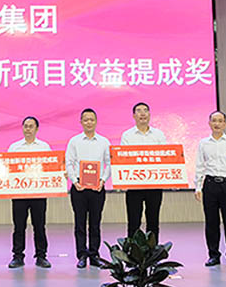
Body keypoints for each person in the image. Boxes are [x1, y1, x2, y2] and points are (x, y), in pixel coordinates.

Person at [195, 110, 226, 267]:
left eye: (220, 121)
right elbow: (200, 166)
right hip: (210, 185)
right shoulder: (203, 143)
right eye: (214, 120)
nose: (217, 124)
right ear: (209, 123)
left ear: (225, 124)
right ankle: (213, 255)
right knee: (211, 222)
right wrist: (198, 187)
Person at [65, 108, 111, 269]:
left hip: (97, 187)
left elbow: (109, 163)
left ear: (96, 122)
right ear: (81, 122)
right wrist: (74, 181)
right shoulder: (74, 141)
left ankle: (94, 254)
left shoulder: (104, 142)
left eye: (92, 119)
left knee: (95, 223)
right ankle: (82, 255)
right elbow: (69, 163)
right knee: (80, 223)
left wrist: (103, 180)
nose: (89, 122)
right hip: (79, 187)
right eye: (86, 120)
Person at [6, 116, 52, 269]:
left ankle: (41, 256)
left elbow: (51, 168)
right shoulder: (14, 147)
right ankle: (17, 256)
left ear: (37, 129)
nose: (28, 129)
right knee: (19, 226)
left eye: (31, 126)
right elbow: (7, 168)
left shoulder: (44, 147)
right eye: (25, 126)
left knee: (39, 226)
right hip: (19, 194)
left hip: (38, 193)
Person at [120, 102, 167, 240]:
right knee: (134, 221)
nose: (142, 113)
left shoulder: (158, 135)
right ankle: (133, 250)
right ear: (134, 116)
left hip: (154, 184)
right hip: (134, 184)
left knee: (153, 220)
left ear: (149, 115)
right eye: (139, 111)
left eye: (145, 110)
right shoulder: (127, 135)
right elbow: (124, 159)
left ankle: (152, 250)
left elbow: (165, 157)